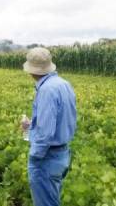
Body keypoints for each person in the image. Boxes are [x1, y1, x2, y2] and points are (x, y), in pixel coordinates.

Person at [21, 47, 76, 206]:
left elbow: (45, 134)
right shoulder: (64, 84)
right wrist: (32, 126)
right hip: (62, 153)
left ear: (32, 71)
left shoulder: (46, 90)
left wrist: (35, 157)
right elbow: (60, 120)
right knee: (52, 199)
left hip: (47, 158)